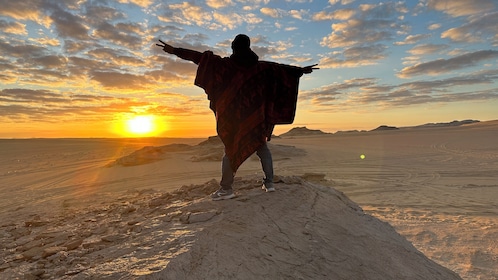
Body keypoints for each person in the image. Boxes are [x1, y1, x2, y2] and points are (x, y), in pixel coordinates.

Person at [156, 34, 317, 201]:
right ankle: (269, 184)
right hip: (256, 117)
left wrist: (174, 50)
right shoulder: (261, 67)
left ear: (234, 47)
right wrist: (301, 70)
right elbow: (282, 70)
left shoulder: (224, 65)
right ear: (249, 47)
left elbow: (198, 57)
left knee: (231, 149)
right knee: (262, 147)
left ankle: (226, 189)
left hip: (232, 118)